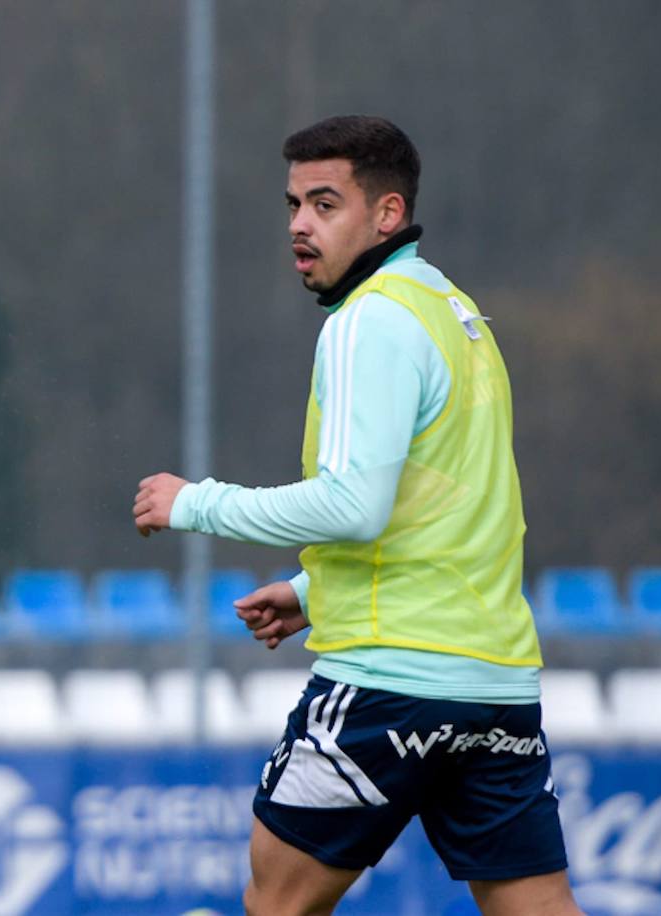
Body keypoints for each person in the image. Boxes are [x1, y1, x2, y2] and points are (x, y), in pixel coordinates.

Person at [133, 116, 582, 916]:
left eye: (325, 203)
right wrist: (313, 594)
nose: (300, 225)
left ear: (386, 213)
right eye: (294, 204)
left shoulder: (368, 319)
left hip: (389, 686)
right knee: (539, 908)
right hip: (494, 681)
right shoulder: (456, 310)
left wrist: (192, 501)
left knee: (277, 900)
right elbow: (452, 507)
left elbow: (354, 505)